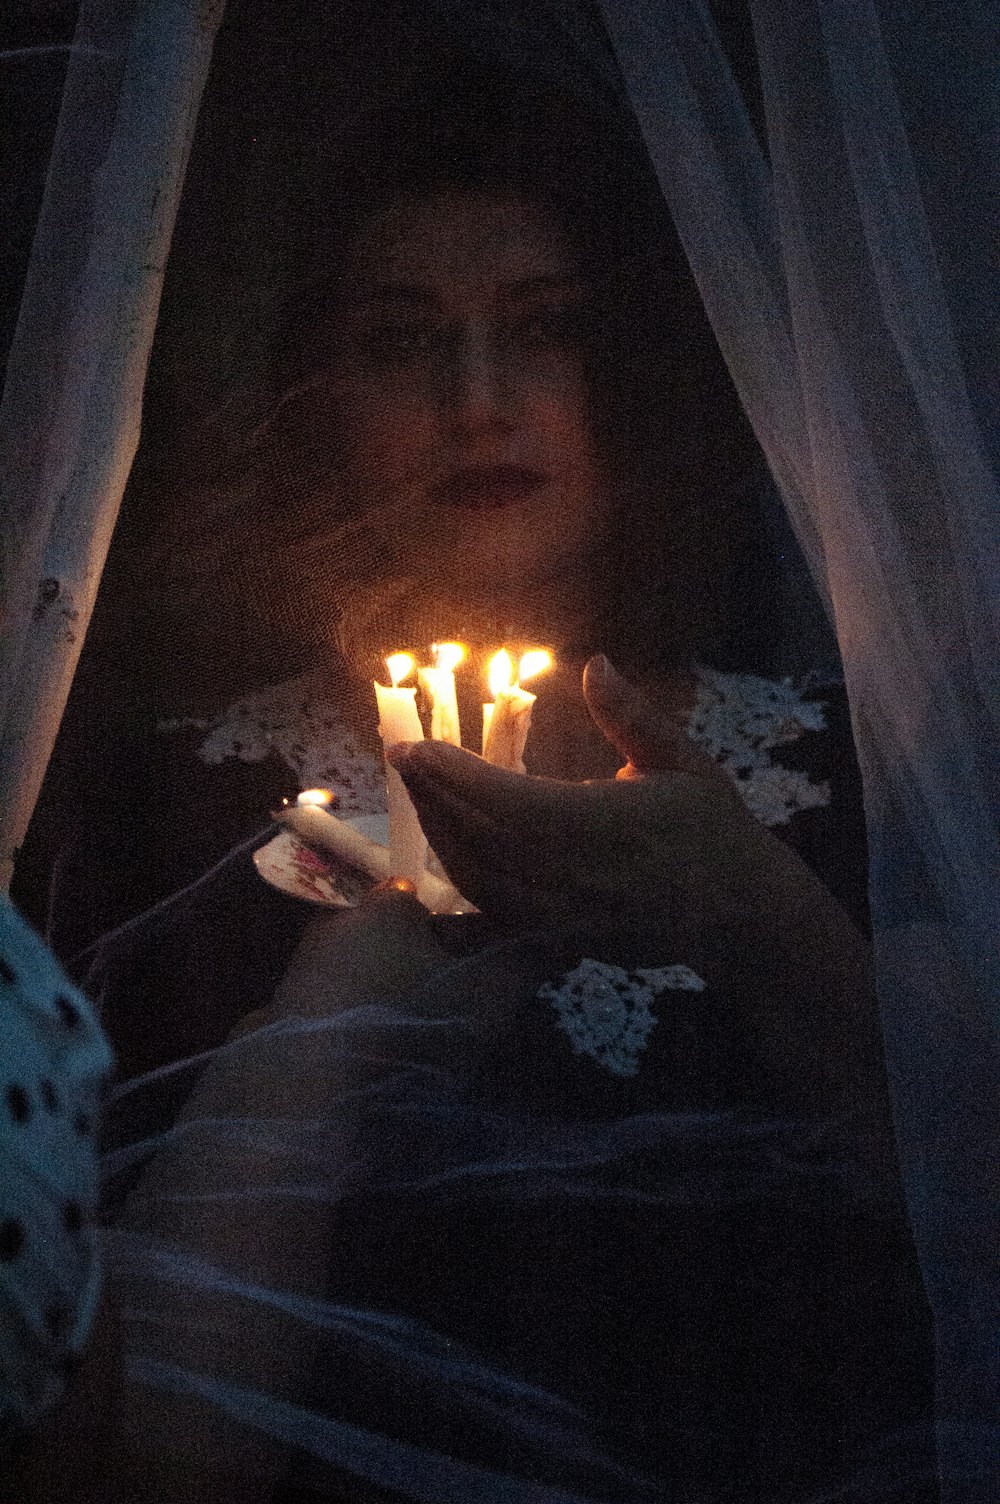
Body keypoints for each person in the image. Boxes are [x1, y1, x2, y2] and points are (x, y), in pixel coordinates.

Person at [23, 63, 936, 1501]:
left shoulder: (860, 776)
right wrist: (332, 1015)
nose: (477, 400)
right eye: (403, 344)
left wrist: (759, 921)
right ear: (324, 395)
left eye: (546, 332)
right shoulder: (168, 808)